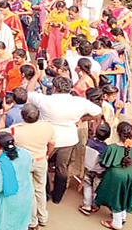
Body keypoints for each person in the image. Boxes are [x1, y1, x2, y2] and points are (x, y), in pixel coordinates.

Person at [27, 75, 102, 204]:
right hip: (68, 139)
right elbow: (98, 112)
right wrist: (83, 119)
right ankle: (58, 196)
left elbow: (28, 92)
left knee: (43, 165)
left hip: (48, 138)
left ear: (54, 88)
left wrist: (36, 75)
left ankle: (45, 193)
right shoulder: (80, 102)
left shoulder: (44, 100)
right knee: (62, 168)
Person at [8, 103, 56, 230]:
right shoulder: (48, 127)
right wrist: (46, 155)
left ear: (23, 116)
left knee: (29, 191)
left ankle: (33, 221)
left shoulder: (15, 130)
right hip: (41, 160)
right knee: (40, 189)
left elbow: (0, 133)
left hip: (24, 163)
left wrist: (3, 114)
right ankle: (43, 217)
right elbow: (52, 144)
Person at [95, 122, 132, 230]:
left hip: (115, 177)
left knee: (115, 198)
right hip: (130, 175)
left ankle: (117, 223)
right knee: (125, 195)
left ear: (117, 133)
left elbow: (104, 163)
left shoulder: (112, 148)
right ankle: (123, 217)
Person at [0, 132, 34, 230]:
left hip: (8, 201)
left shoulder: (0, 164)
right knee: (20, 225)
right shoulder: (26, 154)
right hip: (26, 195)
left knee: (4, 227)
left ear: (0, 146)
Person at [79, 121, 111, 217]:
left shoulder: (89, 141)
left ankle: (86, 205)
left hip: (88, 168)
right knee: (96, 189)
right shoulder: (105, 148)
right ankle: (95, 205)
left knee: (87, 186)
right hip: (99, 172)